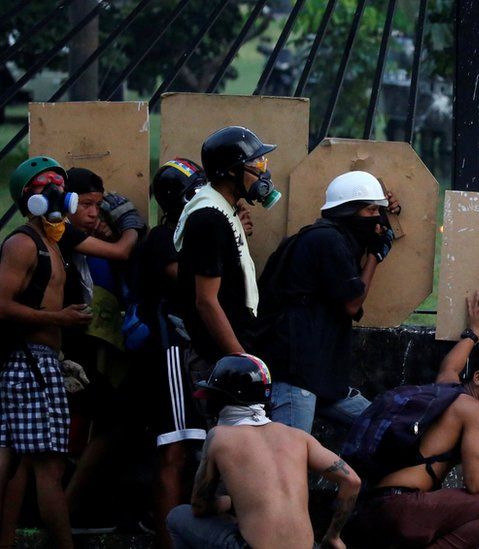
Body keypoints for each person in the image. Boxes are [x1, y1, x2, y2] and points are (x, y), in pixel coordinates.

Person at [0, 156, 144, 548]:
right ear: (34, 201)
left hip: (41, 360)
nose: (65, 201)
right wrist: (59, 319)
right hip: (29, 361)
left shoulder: (51, 240)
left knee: (18, 462)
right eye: (56, 194)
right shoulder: (23, 243)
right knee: (46, 467)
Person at [350, 289, 479, 548]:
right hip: (404, 509)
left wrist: (474, 331)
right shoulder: (477, 411)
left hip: (374, 508)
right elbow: (476, 484)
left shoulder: (449, 390)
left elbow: (450, 367)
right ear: (478, 378)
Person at [166, 353, 361, 549]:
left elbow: (199, 506)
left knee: (177, 517)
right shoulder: (297, 437)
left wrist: (232, 502)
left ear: (224, 398)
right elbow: (352, 480)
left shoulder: (219, 437)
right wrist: (334, 535)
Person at [263, 170, 397, 432]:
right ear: (348, 212)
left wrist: (383, 210)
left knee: (383, 428)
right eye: (370, 211)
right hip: (297, 375)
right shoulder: (326, 239)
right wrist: (375, 255)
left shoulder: (336, 239)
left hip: (321, 377)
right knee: (291, 456)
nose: (377, 219)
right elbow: (352, 303)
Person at [137, 158, 208, 547]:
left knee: (191, 450)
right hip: (170, 351)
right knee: (174, 448)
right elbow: (184, 281)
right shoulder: (165, 238)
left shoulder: (182, 234)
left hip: (185, 351)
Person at [174, 126, 280, 383]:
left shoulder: (223, 212)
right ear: (232, 171)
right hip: (220, 362)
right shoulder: (209, 219)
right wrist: (242, 361)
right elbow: (206, 302)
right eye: (256, 164)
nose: (262, 172)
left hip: (228, 356)